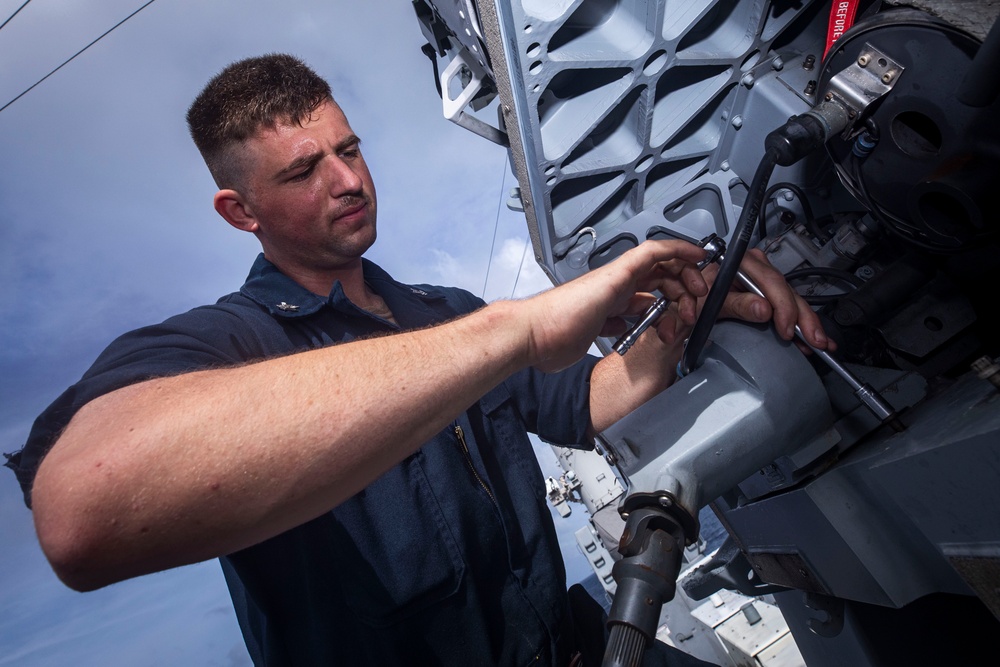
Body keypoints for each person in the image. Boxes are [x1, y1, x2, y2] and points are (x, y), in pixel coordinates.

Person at [6, 54, 831, 666]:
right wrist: (514, 327)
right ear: (239, 211)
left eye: (350, 149)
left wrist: (684, 306)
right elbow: (81, 513)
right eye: (304, 170)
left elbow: (586, 400)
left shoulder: (441, 312)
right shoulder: (219, 346)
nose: (349, 180)